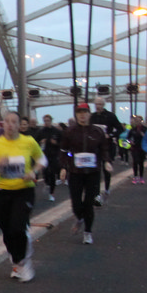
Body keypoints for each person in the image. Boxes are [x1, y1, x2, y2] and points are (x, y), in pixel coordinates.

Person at [0, 111, 46, 282]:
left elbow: (42, 160)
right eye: (7, 121)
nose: (10, 125)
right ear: (2, 124)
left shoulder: (28, 141)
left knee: (17, 227)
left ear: (19, 125)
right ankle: (16, 260)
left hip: (23, 190)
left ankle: (23, 262)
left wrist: (33, 171)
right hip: (1, 191)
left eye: (14, 122)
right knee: (7, 231)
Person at [58, 103, 113, 244]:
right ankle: (80, 218)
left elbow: (104, 149)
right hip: (75, 172)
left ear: (89, 114)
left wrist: (107, 161)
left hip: (92, 172)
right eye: (79, 113)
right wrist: (63, 168)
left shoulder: (97, 131)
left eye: (85, 112)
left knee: (89, 203)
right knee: (76, 204)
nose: (82, 115)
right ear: (76, 115)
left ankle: (88, 232)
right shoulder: (70, 131)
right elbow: (64, 151)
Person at [89, 98, 124, 201]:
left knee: (106, 168)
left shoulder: (110, 116)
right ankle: (96, 192)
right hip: (95, 147)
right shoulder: (92, 117)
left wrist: (111, 135)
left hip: (107, 146)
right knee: (96, 169)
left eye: (100, 104)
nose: (98, 106)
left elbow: (120, 129)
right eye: (96, 104)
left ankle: (107, 187)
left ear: (103, 105)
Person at [34, 114, 63, 203]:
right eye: (45, 121)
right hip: (44, 155)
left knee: (52, 173)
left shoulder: (56, 131)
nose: (46, 122)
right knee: (46, 173)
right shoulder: (41, 131)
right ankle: (47, 183)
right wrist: (40, 142)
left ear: (51, 121)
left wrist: (55, 143)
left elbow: (62, 143)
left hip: (54, 155)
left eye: (48, 121)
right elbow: (35, 143)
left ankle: (52, 193)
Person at [128, 116, 147, 184]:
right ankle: (135, 177)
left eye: (139, 120)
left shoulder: (145, 129)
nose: (138, 122)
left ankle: (141, 177)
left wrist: (144, 135)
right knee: (135, 162)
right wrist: (130, 142)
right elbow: (128, 138)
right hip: (134, 147)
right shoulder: (133, 130)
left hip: (142, 147)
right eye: (136, 121)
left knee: (141, 163)